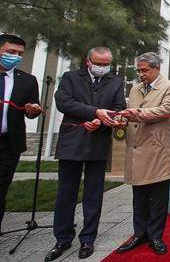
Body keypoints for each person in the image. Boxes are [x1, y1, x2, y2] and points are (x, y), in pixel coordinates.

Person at [46, 47, 126, 261]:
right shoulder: (71, 77)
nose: (103, 67)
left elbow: (119, 108)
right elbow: (64, 103)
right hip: (72, 140)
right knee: (66, 193)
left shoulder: (116, 82)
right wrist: (94, 112)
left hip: (98, 142)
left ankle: (88, 238)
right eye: (99, 63)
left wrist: (101, 120)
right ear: (88, 62)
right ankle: (62, 238)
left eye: (106, 63)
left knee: (93, 194)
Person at [115, 52, 170, 255]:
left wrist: (137, 114)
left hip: (159, 151)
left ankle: (155, 237)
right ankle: (139, 234)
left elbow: (165, 110)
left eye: (145, 70)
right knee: (139, 198)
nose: (141, 74)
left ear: (156, 68)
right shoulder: (135, 88)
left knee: (158, 198)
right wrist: (122, 119)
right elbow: (130, 110)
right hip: (137, 150)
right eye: (139, 70)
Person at [0, 34, 42, 262]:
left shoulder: (27, 80)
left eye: (19, 53)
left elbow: (32, 110)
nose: (15, 57)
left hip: (6, 147)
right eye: (10, 52)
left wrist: (32, 111)